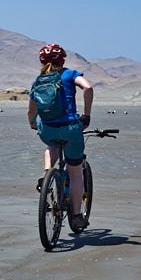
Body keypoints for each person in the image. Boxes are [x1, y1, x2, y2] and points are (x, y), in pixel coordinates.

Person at [28, 43, 94, 233]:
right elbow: (88, 88)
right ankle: (76, 215)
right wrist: (86, 115)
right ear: (62, 59)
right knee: (75, 172)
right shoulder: (70, 74)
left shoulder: (39, 80)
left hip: (47, 129)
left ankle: (47, 174)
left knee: (52, 145)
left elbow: (31, 110)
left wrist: (34, 124)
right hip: (70, 128)